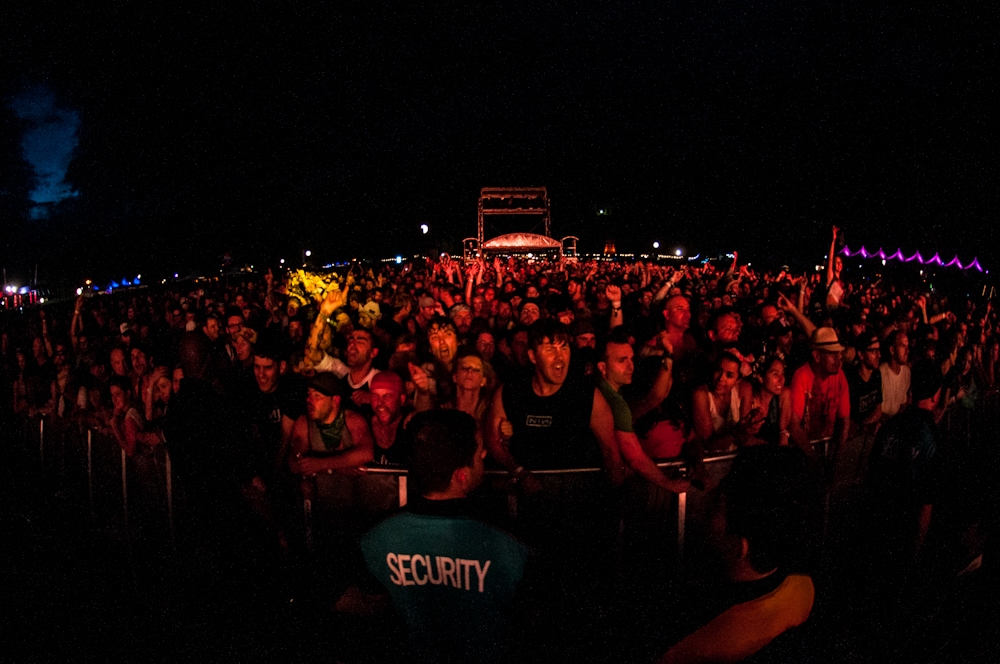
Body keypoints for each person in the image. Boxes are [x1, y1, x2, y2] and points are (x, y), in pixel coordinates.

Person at [359, 410, 529, 664]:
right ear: (461, 475)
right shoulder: (507, 541)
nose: (484, 455)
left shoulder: (376, 536)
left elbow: (373, 605)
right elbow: (531, 616)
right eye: (479, 450)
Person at [658, 446, 817, 663]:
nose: (706, 503)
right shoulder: (805, 588)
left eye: (715, 505)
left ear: (739, 547)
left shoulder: (690, 639)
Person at [788, 327, 851, 460]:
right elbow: (794, 425)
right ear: (817, 356)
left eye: (839, 354)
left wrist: (839, 453)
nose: (838, 360)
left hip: (827, 447)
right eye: (833, 355)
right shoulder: (801, 376)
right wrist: (814, 459)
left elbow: (844, 418)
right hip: (804, 450)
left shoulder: (839, 375)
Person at [880, 330, 911, 418]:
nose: (907, 351)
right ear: (892, 350)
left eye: (907, 346)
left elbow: (902, 403)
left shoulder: (906, 372)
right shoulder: (881, 373)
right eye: (902, 346)